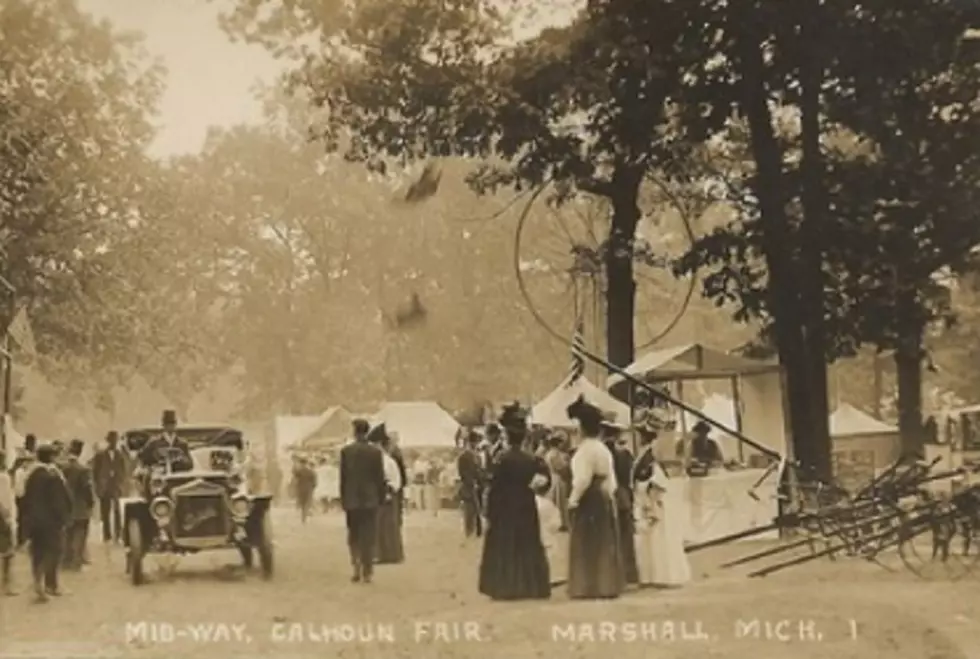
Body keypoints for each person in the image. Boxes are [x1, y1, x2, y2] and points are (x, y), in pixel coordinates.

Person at [478, 402, 551, 601]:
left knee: (506, 545)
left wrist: (489, 512)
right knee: (527, 543)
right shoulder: (532, 459)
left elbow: (493, 488)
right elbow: (545, 481)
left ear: (507, 436)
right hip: (526, 505)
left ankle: (507, 586)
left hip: (505, 508)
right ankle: (530, 585)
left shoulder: (501, 459)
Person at [566, 395, 625, 599]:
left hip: (588, 497)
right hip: (602, 496)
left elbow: (582, 479)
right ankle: (605, 584)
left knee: (586, 542)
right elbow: (612, 479)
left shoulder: (585, 451)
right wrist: (608, 494)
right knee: (603, 540)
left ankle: (586, 586)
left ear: (581, 428)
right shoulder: (602, 449)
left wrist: (573, 499)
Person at [634, 414, 691, 587]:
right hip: (646, 495)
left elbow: (654, 480)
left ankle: (663, 575)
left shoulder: (649, 457)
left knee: (658, 537)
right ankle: (652, 575)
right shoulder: (644, 456)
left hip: (652, 497)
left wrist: (651, 502)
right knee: (651, 540)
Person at [22, 444, 72, 602]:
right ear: (51, 457)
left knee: (37, 552)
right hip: (51, 522)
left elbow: (24, 498)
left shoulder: (31, 475)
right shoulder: (53, 476)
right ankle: (51, 585)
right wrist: (63, 518)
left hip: (34, 521)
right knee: (54, 551)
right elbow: (59, 501)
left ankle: (38, 583)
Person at [339, 419, 386, 583]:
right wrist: (381, 497)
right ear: (367, 432)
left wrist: (343, 498)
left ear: (354, 431)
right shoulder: (375, 452)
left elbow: (343, 478)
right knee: (369, 535)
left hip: (352, 499)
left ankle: (356, 566)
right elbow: (379, 477)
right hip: (370, 500)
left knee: (353, 535)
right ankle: (367, 570)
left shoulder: (346, 451)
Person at [601, 416, 639, 585]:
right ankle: (630, 573)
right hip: (624, 495)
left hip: (610, 494)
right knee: (626, 535)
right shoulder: (625, 454)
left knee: (611, 535)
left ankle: (615, 573)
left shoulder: (603, 453)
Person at [370, 424, 405, 564]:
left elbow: (395, 479)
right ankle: (382, 553)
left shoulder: (387, 460)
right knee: (380, 525)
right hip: (378, 494)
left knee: (387, 525)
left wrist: (389, 490)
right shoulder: (377, 459)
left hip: (387, 494)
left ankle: (390, 554)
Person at [61, 439, 94, 570]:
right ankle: (76, 562)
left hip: (64, 507)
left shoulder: (61, 467)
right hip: (80, 507)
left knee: (66, 534)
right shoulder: (83, 470)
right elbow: (87, 489)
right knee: (80, 535)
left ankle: (65, 561)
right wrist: (90, 502)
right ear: (80, 451)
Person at [92, 431, 127, 544]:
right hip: (104, 486)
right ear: (108, 441)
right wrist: (98, 485)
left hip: (115, 485)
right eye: (111, 440)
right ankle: (107, 535)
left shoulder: (120, 454)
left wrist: (121, 481)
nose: (113, 442)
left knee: (118, 510)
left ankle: (118, 534)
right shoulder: (100, 455)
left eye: (115, 440)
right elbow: (95, 471)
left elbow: (123, 469)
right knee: (105, 511)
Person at [11, 433, 38, 548]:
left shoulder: (22, 457)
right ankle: (22, 539)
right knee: (24, 516)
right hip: (24, 491)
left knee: (25, 516)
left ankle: (24, 539)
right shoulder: (24, 457)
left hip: (25, 491)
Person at [456, 430, 484, 538]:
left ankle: (476, 531)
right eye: (474, 442)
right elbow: (463, 472)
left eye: (476, 442)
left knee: (477, 510)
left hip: (477, 485)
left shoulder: (476, 455)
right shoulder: (465, 456)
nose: (475, 444)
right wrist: (472, 482)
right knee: (470, 510)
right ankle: (470, 531)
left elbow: (479, 470)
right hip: (469, 486)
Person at [543, 432, 572, 531]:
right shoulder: (555, 454)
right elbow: (561, 468)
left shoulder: (550, 453)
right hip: (559, 478)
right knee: (561, 501)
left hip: (554, 477)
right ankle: (563, 523)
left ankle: (562, 522)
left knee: (559, 501)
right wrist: (568, 464)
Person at [0, 449, 16, 595]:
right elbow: (5, 500)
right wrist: (7, 518)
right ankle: (6, 585)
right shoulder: (3, 478)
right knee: (7, 552)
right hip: (2, 517)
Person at [293, 458, 317, 523]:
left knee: (302, 503)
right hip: (308, 489)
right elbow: (314, 482)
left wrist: (294, 463)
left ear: (301, 463)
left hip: (301, 489)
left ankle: (303, 516)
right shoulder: (310, 471)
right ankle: (304, 516)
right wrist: (312, 487)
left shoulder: (299, 471)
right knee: (307, 503)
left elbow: (295, 477)